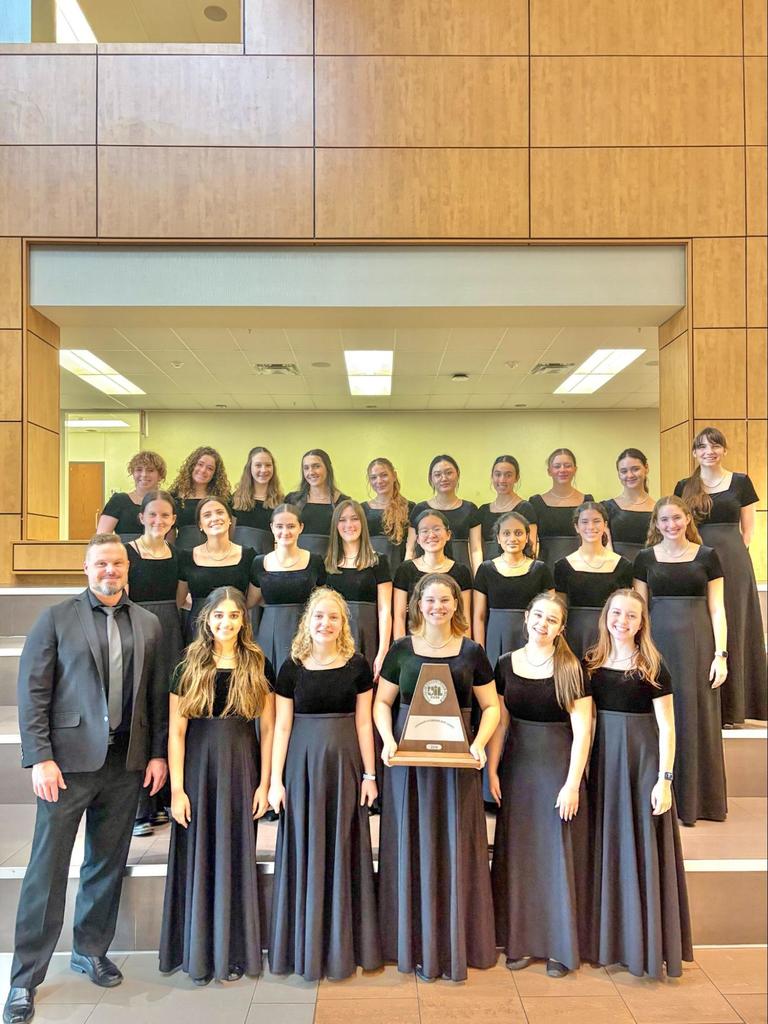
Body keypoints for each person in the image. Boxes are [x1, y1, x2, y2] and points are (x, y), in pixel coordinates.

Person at [4, 534, 167, 1024]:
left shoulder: (150, 623)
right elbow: (32, 692)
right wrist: (40, 758)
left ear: (128, 568)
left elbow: (157, 696)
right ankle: (23, 979)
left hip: (126, 764)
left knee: (105, 863)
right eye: (101, 563)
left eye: (117, 563)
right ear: (86, 567)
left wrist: (156, 754)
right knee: (45, 873)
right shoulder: (55, 618)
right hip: (66, 766)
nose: (110, 571)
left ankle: (90, 949)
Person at [374, 574, 499, 982]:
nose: (437, 607)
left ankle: (456, 941)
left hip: (457, 766)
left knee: (455, 846)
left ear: (455, 606)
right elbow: (383, 703)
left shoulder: (472, 652)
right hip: (409, 766)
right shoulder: (400, 650)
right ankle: (411, 943)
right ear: (417, 604)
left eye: (445, 600)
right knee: (411, 844)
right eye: (430, 600)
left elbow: (492, 707)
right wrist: (389, 740)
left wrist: (479, 743)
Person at [160, 587, 275, 984]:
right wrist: (177, 790)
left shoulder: (257, 663)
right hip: (198, 768)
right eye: (218, 616)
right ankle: (197, 950)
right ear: (206, 619)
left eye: (233, 615)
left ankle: (235, 949)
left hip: (242, 765)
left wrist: (264, 784)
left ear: (244, 620)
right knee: (199, 854)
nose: (225, 622)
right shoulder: (188, 665)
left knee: (235, 851)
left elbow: (270, 726)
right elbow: (176, 732)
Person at [268, 589, 382, 981]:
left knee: (343, 847)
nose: (325, 623)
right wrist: (274, 781)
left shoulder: (358, 666)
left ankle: (342, 946)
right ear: (307, 621)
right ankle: (306, 944)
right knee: (306, 847)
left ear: (343, 623)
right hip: (301, 768)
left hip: (345, 765)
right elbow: (281, 727)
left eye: (333, 617)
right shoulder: (291, 667)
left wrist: (370, 775)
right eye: (318, 616)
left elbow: (365, 723)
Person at [584, 589, 693, 979]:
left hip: (641, 761)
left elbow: (667, 728)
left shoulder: (653, 665)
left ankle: (642, 943)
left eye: (631, 615)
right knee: (606, 844)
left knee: (641, 846)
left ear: (642, 622)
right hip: (602, 761)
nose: (622, 621)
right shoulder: (591, 663)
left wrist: (665, 779)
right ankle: (606, 941)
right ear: (606, 615)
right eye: (616, 613)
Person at [487, 593, 592, 979]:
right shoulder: (504, 664)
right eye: (538, 616)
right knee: (519, 857)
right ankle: (520, 942)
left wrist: (572, 784)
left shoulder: (571, 667)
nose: (542, 624)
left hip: (557, 769)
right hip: (519, 769)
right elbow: (500, 723)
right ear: (526, 616)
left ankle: (559, 946)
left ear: (561, 627)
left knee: (555, 857)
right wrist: (493, 771)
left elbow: (583, 732)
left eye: (552, 620)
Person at [633, 496, 728, 826]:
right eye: (664, 520)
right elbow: (639, 610)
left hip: (699, 647)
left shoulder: (708, 557)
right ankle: (659, 793)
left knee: (695, 714)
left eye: (676, 518)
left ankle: (698, 800)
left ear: (687, 519)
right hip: (657, 645)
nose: (671, 525)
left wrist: (721, 654)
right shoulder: (645, 558)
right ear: (656, 524)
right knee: (658, 717)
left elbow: (717, 608)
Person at [675, 427, 766, 726]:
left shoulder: (741, 482)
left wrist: (734, 556)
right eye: (701, 447)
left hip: (733, 562)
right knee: (703, 626)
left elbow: (748, 530)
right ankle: (707, 704)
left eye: (714, 446)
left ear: (724, 449)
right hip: (696, 561)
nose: (708, 451)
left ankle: (735, 708)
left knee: (735, 627)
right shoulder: (684, 486)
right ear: (694, 453)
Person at [126, 490, 182, 837]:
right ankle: (138, 805)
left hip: (171, 631)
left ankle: (161, 798)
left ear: (174, 520)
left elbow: (178, 599)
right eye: (153, 515)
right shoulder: (128, 553)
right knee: (141, 711)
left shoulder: (177, 555)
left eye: (165, 516)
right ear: (142, 517)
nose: (158, 521)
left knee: (166, 708)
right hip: (138, 630)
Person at [250, 504, 327, 671]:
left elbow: (323, 600)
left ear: (301, 527)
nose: (285, 532)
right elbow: (251, 601)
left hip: (307, 630)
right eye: (279, 526)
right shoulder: (259, 562)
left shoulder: (315, 561)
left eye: (291, 526)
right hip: (270, 632)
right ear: (271, 528)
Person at [473, 511, 554, 665]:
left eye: (518, 533)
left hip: (531, 638)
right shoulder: (486, 569)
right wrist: (480, 652)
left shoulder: (541, 569)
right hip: (496, 639)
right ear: (498, 538)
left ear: (527, 537)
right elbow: (479, 616)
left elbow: (551, 613)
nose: (512, 538)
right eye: (506, 533)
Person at [553, 502, 634, 657]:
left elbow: (626, 607)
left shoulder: (623, 565)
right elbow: (560, 608)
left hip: (611, 633)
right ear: (576, 527)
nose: (591, 526)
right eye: (584, 522)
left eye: (596, 521)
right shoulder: (562, 566)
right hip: (574, 635)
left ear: (605, 525)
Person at [325, 500, 392, 679]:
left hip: (368, 636)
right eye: (342, 520)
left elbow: (385, 609)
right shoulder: (326, 565)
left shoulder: (379, 562)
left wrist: (383, 649)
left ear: (362, 522)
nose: (349, 525)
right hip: (335, 638)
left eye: (354, 519)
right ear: (335, 525)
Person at [176, 498, 257, 644]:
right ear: (200, 525)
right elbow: (180, 600)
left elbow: (250, 600)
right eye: (207, 515)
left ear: (230, 519)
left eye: (220, 512)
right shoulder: (186, 557)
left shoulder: (249, 556)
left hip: (235, 629)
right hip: (198, 631)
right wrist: (201, 606)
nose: (215, 518)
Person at [393, 510, 472, 639]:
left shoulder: (461, 571)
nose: (431, 535)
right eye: (424, 531)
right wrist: (400, 650)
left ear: (448, 534)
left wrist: (465, 652)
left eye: (436, 529)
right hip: (414, 642)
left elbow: (464, 617)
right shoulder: (405, 570)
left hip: (451, 642)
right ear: (417, 539)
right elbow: (399, 616)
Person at [406, 455, 481, 573]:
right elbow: (410, 549)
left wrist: (478, 580)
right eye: (437, 474)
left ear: (458, 475)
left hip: (461, 574)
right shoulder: (419, 509)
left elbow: (476, 550)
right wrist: (405, 575)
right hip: (425, 573)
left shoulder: (470, 509)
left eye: (449, 473)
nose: (444, 478)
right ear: (431, 479)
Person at [528, 448, 593, 569]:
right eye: (557, 466)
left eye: (567, 466)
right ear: (549, 471)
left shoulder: (587, 502)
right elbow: (530, 544)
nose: (562, 470)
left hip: (581, 567)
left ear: (575, 470)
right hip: (546, 567)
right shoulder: (535, 503)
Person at [473, 455, 538, 569]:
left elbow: (531, 547)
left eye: (508, 475)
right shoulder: (483, 511)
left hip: (518, 569)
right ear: (492, 477)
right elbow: (478, 549)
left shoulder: (525, 508)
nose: (502, 480)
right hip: (489, 571)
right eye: (498, 474)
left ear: (516, 478)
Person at [285, 449, 349, 555]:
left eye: (316, 466)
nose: (311, 472)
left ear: (327, 468)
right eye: (306, 468)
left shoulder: (343, 503)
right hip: (297, 564)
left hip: (331, 564)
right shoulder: (292, 500)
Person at [169, 446, 231, 550]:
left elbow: (229, 529)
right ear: (192, 466)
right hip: (183, 551)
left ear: (215, 474)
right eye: (200, 464)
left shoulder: (223, 497)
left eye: (210, 468)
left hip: (215, 551)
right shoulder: (174, 496)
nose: (203, 470)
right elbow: (170, 531)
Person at [96, 450, 167, 541]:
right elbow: (101, 538)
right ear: (133, 473)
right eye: (139, 470)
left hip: (157, 554)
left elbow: (169, 542)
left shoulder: (167, 503)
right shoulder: (118, 500)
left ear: (160, 476)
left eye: (150, 470)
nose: (144, 474)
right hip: (123, 554)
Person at [602, 448, 655, 563]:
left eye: (635, 469)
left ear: (646, 468)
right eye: (624, 471)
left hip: (650, 572)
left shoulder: (659, 509)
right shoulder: (606, 508)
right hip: (616, 571)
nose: (629, 475)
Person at [362, 457, 414, 574]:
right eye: (374, 477)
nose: (379, 481)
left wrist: (405, 571)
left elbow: (412, 546)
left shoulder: (410, 507)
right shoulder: (362, 509)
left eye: (384, 475)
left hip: (400, 570)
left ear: (394, 476)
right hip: (371, 570)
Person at [231, 445, 284, 555]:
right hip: (237, 559)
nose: (263, 470)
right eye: (258, 465)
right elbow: (229, 535)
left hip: (266, 561)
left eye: (268, 465)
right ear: (250, 468)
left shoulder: (281, 502)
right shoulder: (235, 499)